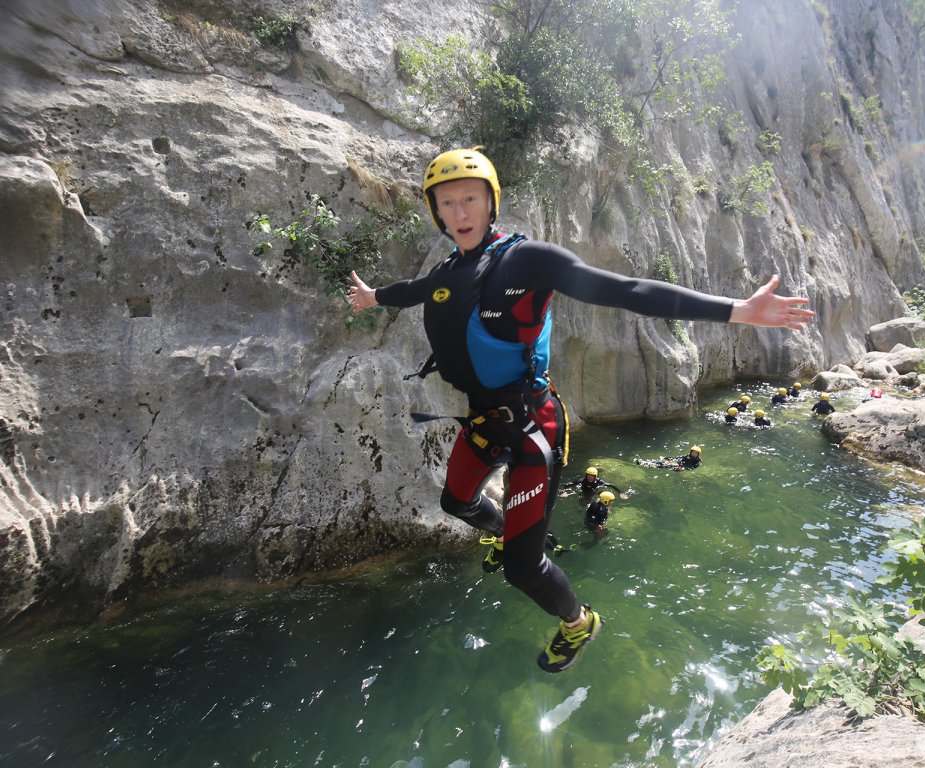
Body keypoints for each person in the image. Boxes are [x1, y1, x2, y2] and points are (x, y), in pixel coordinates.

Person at [346, 146, 814, 673]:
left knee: (522, 572)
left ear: (490, 201)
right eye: (447, 203)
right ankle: (509, 532)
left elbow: (629, 290)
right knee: (456, 503)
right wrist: (375, 296)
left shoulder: (527, 262)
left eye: (470, 199)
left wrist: (738, 311)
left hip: (531, 429)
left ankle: (577, 621)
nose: (459, 213)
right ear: (436, 212)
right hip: (483, 420)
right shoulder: (449, 270)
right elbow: (417, 291)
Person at [635, 445, 703, 470]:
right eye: (692, 452)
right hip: (678, 463)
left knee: (664, 465)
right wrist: (668, 458)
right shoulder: (688, 456)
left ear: (698, 454)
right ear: (690, 452)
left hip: (681, 467)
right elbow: (678, 458)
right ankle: (643, 461)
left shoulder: (698, 462)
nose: (693, 454)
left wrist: (683, 468)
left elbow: (691, 468)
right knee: (662, 461)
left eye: (695, 453)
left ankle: (644, 464)